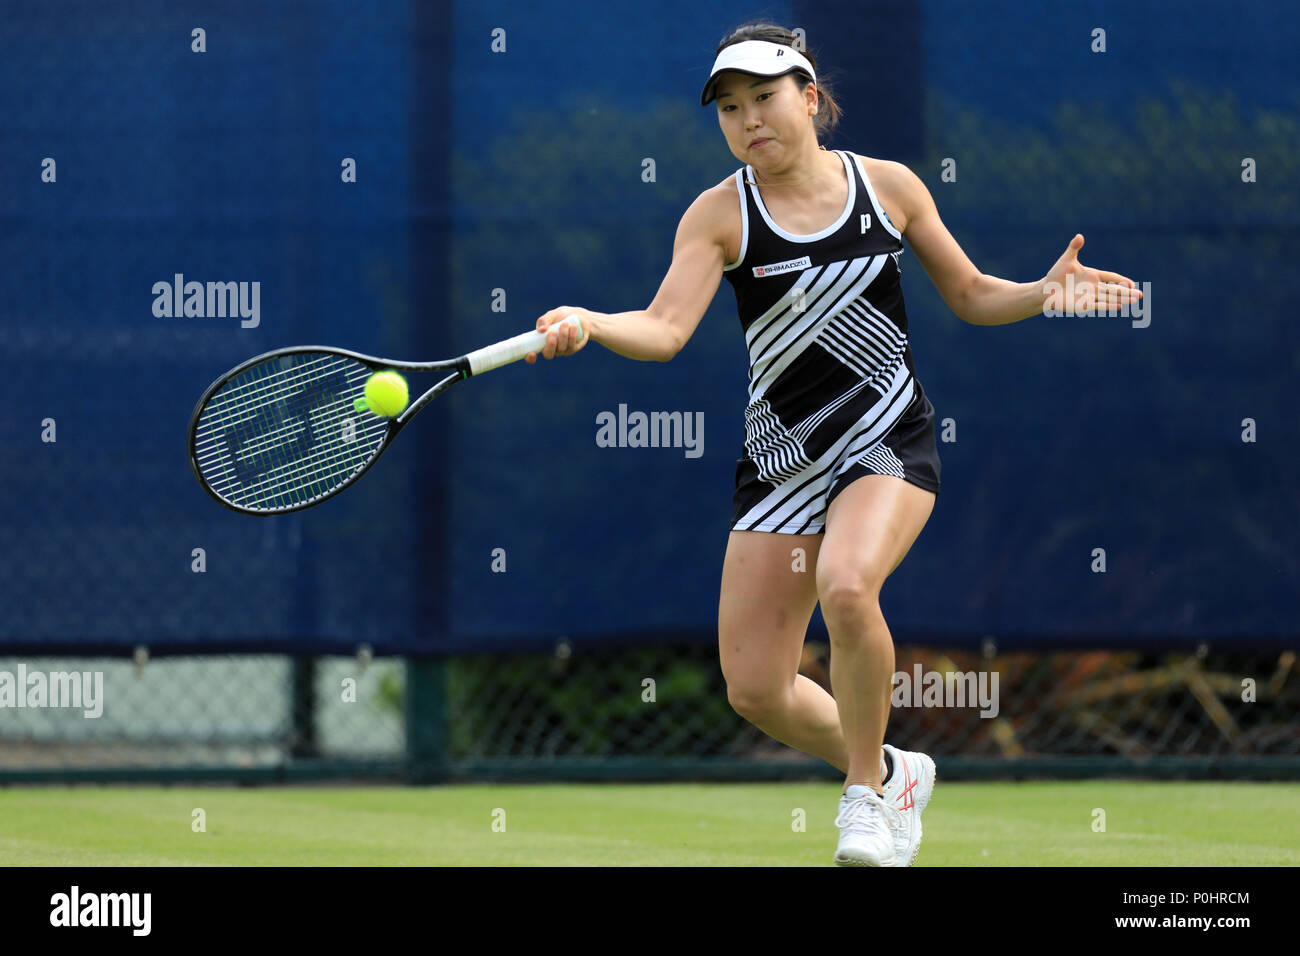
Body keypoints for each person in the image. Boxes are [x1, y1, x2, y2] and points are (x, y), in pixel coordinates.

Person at [525, 22, 1142, 866]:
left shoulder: (888, 189)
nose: (750, 121)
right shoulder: (718, 216)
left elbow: (968, 293)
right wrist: (589, 321)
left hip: (888, 442)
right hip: (782, 466)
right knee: (755, 689)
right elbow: (665, 329)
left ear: (810, 99)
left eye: (765, 99)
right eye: (730, 108)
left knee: (848, 587)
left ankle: (862, 800)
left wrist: (1041, 292)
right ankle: (896, 769)